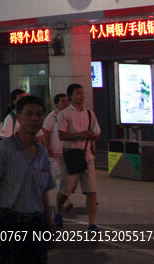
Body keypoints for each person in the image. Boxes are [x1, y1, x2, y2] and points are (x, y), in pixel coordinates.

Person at [0, 94, 55, 263]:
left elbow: (42, 191)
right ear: (18, 116)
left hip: (35, 224)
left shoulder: (42, 153)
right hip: (8, 224)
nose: (34, 119)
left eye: (38, 114)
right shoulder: (3, 150)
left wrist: (48, 223)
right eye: (28, 114)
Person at [55, 83, 101, 231]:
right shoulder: (65, 114)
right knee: (65, 189)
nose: (81, 96)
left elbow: (97, 133)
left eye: (82, 93)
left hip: (86, 155)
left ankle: (92, 223)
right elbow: (61, 135)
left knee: (91, 190)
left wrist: (93, 136)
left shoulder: (90, 114)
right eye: (78, 93)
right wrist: (79, 135)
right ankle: (57, 210)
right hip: (71, 154)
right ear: (70, 96)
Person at [39, 93, 73, 214]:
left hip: (69, 151)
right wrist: (47, 146)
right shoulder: (52, 117)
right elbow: (46, 132)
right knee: (59, 175)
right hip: (55, 151)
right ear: (57, 103)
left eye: (66, 101)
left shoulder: (70, 115)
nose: (65, 103)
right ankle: (67, 200)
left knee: (70, 176)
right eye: (62, 101)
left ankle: (66, 196)